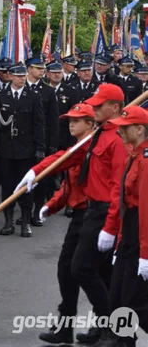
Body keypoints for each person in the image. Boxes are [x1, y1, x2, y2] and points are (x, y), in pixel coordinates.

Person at [16, 83, 127, 345]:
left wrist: (112, 226)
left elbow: (118, 187)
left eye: (100, 105)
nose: (95, 108)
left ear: (115, 107)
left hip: (104, 213)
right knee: (73, 269)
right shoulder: (99, 134)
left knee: (84, 270)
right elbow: (68, 157)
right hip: (91, 210)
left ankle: (111, 328)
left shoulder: (116, 139)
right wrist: (36, 172)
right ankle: (89, 327)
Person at [37, 103, 96, 345]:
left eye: (77, 120)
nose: (71, 123)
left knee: (89, 272)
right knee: (67, 270)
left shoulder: (92, 147)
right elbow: (69, 186)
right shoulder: (77, 147)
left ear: (90, 124)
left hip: (96, 215)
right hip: (79, 214)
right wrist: (51, 205)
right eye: (70, 119)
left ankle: (107, 326)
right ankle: (65, 326)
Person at [98, 105, 148, 347]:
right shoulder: (134, 154)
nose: (119, 131)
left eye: (124, 128)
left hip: (141, 233)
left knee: (135, 298)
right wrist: (119, 241)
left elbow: (145, 211)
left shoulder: (146, 161)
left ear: (139, 129)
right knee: (117, 290)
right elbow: (123, 202)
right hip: (129, 232)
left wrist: (145, 255)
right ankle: (123, 340)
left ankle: (124, 340)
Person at [0, 61, 45, 238]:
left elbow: (39, 124)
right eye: (18, 76)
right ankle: (8, 222)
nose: (22, 79)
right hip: (6, 148)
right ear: (11, 76)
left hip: (26, 149)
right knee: (7, 186)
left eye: (23, 76)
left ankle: (25, 222)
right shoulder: (0, 96)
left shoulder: (33, 96)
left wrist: (39, 148)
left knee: (26, 187)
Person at [26, 55, 59, 226]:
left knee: (42, 178)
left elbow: (54, 120)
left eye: (43, 68)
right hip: (24, 142)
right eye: (38, 68)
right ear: (29, 69)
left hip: (43, 141)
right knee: (25, 177)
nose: (42, 71)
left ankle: (37, 211)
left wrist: (53, 144)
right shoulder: (20, 87)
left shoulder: (48, 91)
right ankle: (25, 212)